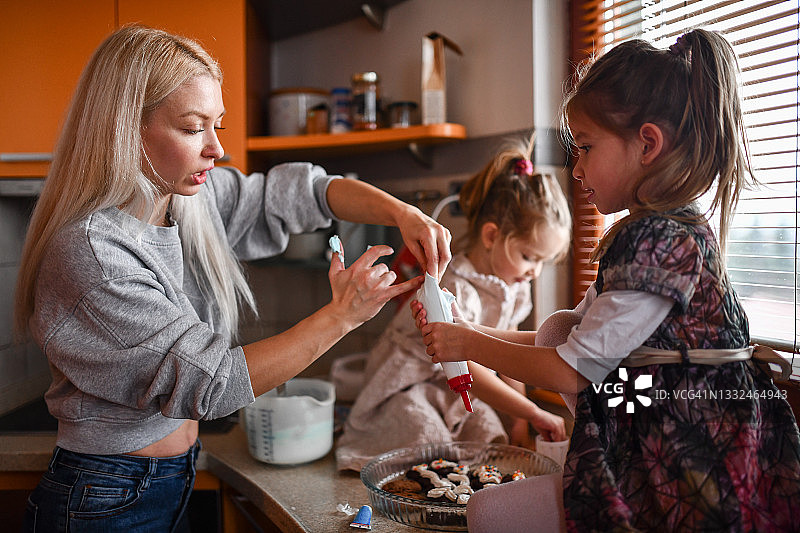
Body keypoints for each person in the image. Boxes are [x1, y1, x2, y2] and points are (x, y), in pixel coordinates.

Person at [13, 24, 450, 532]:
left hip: (169, 476)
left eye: (217, 124)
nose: (216, 148)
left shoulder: (188, 201)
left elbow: (300, 192)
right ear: (125, 128)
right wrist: (342, 316)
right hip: (104, 495)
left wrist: (402, 214)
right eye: (193, 127)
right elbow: (213, 384)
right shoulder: (93, 252)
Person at [416, 29, 800, 531]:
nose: (576, 168)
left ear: (647, 144)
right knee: (489, 505)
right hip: (664, 447)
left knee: (488, 513)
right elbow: (571, 343)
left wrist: (464, 341)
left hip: (697, 472)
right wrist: (467, 332)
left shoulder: (659, 242)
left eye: (586, 147)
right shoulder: (650, 236)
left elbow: (571, 371)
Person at [335, 135, 570, 472]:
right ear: (491, 237)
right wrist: (531, 411)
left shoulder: (515, 288)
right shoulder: (457, 285)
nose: (534, 271)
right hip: (411, 382)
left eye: (543, 262)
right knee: (429, 441)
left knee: (488, 434)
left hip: (457, 388)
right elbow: (469, 361)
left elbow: (509, 356)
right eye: (528, 257)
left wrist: (519, 418)